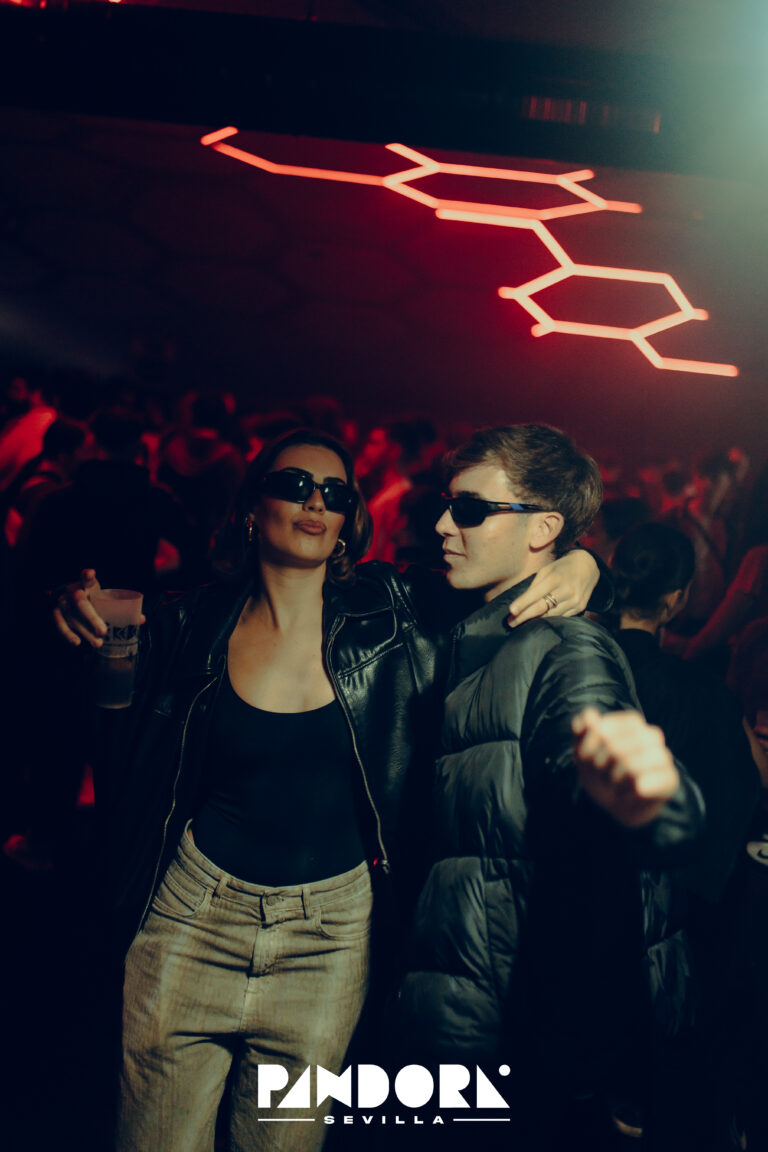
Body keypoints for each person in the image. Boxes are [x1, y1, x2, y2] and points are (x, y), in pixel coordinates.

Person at [52, 427, 604, 1152]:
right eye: (294, 485)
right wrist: (71, 608)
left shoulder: (396, 608)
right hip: (192, 919)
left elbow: (517, 571)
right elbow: (85, 698)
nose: (315, 502)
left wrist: (588, 565)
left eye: (335, 494)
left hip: (330, 938)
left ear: (348, 519)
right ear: (251, 509)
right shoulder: (187, 623)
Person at [396, 424, 705, 1151]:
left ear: (543, 530)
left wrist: (650, 800)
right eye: (447, 504)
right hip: (464, 1003)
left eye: (471, 509)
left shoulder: (566, 646)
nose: (442, 524)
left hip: (508, 1028)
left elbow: (615, 798)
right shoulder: (472, 625)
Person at [610, 521, 763, 1150]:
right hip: (661, 930)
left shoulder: (569, 662)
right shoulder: (699, 696)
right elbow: (732, 809)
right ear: (676, 600)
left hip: (564, 912)